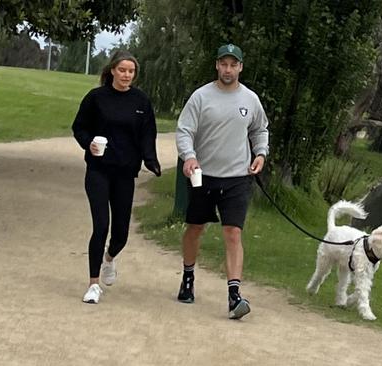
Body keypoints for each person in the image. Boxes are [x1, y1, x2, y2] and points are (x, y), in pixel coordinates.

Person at [175, 43, 269, 319]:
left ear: (241, 67)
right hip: (203, 175)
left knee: (233, 233)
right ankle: (188, 278)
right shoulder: (201, 97)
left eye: (233, 65)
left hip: (238, 178)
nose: (228, 69)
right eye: (223, 64)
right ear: (217, 65)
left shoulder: (250, 100)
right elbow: (184, 131)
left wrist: (261, 153)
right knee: (195, 228)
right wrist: (189, 157)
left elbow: (260, 129)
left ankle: (233, 295)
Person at [72, 50, 161, 304]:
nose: (126, 75)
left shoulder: (141, 102)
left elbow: (147, 134)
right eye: (122, 70)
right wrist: (88, 143)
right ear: (112, 70)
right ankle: (93, 285)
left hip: (125, 173)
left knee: (120, 234)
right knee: (101, 226)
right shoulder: (96, 98)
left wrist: (150, 159)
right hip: (99, 170)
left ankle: (109, 259)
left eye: (131, 71)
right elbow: (79, 127)